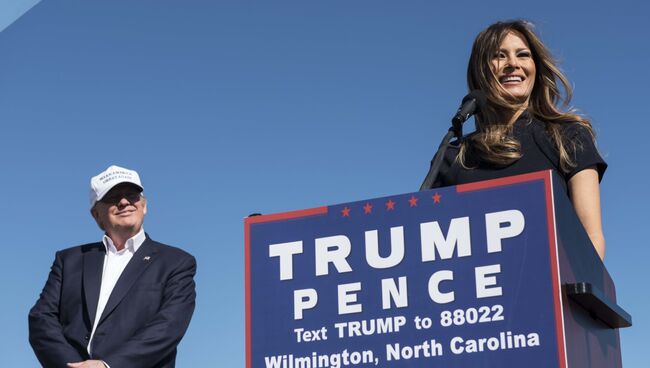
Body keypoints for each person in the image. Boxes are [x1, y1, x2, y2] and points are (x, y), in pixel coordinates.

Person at [424, 20, 607, 260]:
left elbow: (590, 236)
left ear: (535, 67)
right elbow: (430, 243)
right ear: (481, 70)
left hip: (551, 291)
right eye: (499, 56)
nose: (513, 64)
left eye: (523, 55)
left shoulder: (568, 136)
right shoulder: (453, 154)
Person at [29, 165, 196, 368]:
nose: (124, 202)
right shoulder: (69, 260)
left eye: (132, 195)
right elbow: (41, 319)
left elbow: (169, 326)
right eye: (113, 197)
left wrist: (108, 365)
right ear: (96, 214)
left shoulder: (176, 262)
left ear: (144, 205)